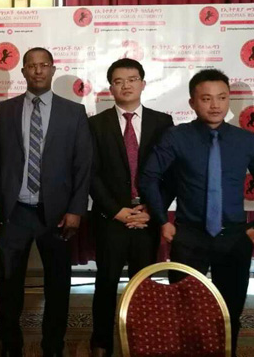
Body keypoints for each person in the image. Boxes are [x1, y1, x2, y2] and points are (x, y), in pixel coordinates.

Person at [140, 69, 254, 357]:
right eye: (206, 99)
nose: (215, 105)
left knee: (230, 313)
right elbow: (149, 177)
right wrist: (162, 221)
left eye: (222, 98)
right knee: (185, 311)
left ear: (229, 100)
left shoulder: (246, 140)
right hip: (189, 237)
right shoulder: (176, 137)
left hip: (234, 238)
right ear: (192, 102)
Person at [0, 47, 93, 357]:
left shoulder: (73, 112)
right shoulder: (4, 111)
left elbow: (83, 165)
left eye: (44, 65)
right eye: (31, 66)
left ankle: (53, 347)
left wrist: (76, 209)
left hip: (57, 214)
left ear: (52, 69)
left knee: (58, 286)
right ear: (22, 71)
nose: (38, 71)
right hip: (15, 212)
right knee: (9, 285)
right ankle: (11, 346)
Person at [89, 58, 174, 357]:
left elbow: (171, 173)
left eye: (132, 79)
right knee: (105, 283)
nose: (126, 85)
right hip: (110, 218)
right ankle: (101, 342)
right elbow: (91, 174)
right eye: (118, 81)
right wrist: (116, 211)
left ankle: (141, 340)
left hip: (148, 217)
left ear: (143, 83)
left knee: (144, 284)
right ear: (110, 88)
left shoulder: (162, 122)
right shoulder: (95, 124)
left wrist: (153, 210)